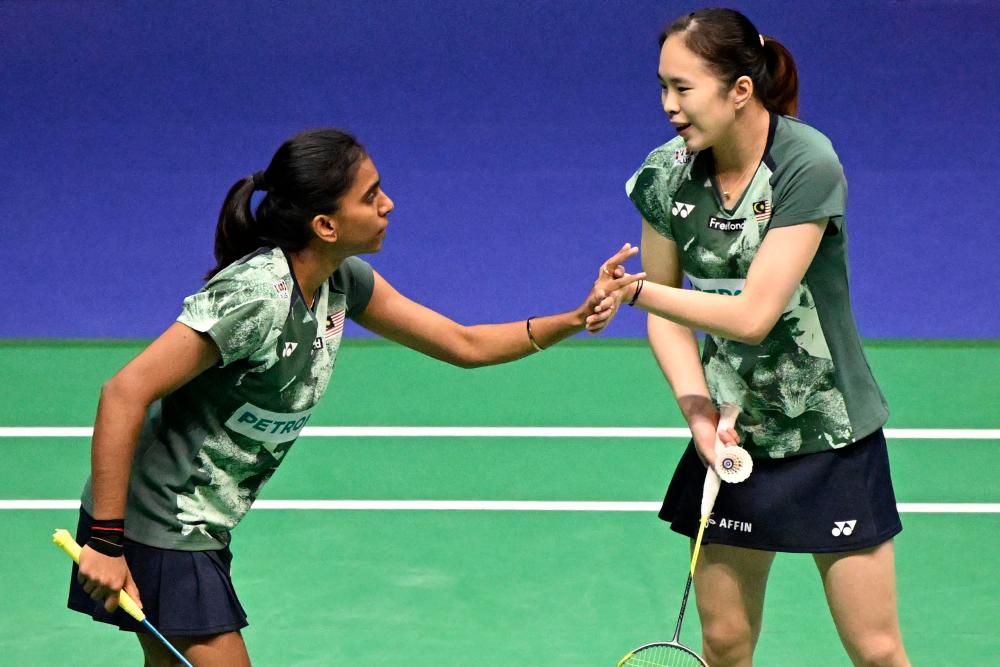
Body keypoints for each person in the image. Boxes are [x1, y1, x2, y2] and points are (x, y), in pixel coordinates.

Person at [68, 128, 644, 665]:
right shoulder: (254, 298)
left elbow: (463, 344)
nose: (388, 204)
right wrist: (106, 542)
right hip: (156, 520)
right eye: (371, 197)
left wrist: (574, 317)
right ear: (325, 225)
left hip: (198, 520)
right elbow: (124, 392)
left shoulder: (340, 282)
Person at [602, 8, 910, 667]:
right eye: (662, 87)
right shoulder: (666, 174)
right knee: (726, 642)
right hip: (737, 439)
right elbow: (670, 316)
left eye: (683, 88)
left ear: (740, 89)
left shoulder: (806, 162)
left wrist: (629, 290)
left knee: (877, 649)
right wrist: (697, 411)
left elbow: (754, 313)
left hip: (830, 435)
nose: (668, 105)